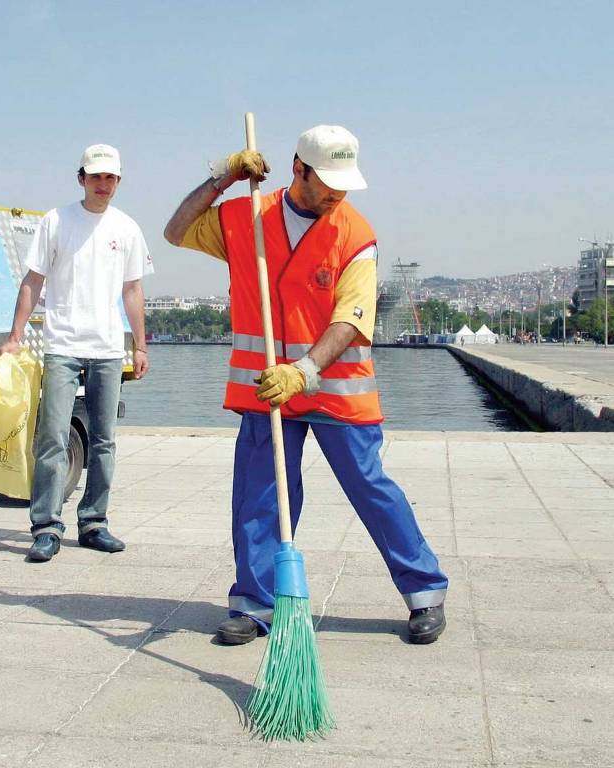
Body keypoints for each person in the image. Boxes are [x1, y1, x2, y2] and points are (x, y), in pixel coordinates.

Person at [164, 125, 448, 645]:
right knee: (260, 495)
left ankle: (425, 591)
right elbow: (176, 230)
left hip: (334, 386)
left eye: (346, 183)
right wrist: (222, 176)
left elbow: (351, 320)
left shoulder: (355, 234)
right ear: (299, 169)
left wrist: (304, 371)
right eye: (329, 182)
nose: (339, 193)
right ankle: (254, 604)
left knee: (370, 487)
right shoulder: (247, 217)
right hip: (267, 388)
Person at [0, 143, 153, 562]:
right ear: (81, 178)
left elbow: (133, 290)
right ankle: (46, 526)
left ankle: (94, 522)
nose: (103, 185)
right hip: (62, 344)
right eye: (96, 177)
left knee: (105, 440)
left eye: (110, 178)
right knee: (52, 437)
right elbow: (33, 280)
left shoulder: (127, 229)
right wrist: (16, 335)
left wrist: (139, 345)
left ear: (118, 181)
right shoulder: (56, 221)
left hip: (107, 347)